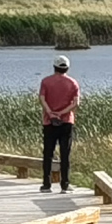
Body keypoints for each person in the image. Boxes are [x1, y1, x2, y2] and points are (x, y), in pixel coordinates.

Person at [38, 54, 81, 192]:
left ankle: (46, 184)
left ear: (54, 67)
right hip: (66, 121)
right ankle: (65, 184)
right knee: (65, 154)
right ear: (67, 68)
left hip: (49, 121)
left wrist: (50, 113)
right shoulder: (73, 83)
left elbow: (42, 99)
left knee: (48, 153)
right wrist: (62, 113)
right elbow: (76, 103)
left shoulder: (46, 81)